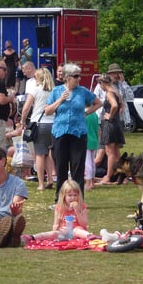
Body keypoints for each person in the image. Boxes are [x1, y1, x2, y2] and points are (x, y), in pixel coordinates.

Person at [45, 63, 102, 202]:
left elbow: (98, 103)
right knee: (61, 167)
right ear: (67, 77)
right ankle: (60, 200)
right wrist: (60, 100)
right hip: (60, 133)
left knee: (77, 167)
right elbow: (47, 111)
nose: (79, 79)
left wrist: (87, 112)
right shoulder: (57, 91)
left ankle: (78, 199)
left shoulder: (82, 91)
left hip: (78, 133)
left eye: (79, 76)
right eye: (76, 76)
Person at [20, 179, 96, 244]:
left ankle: (90, 236)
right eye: (70, 195)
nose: (73, 198)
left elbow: (84, 224)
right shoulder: (59, 207)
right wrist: (55, 232)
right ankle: (32, 237)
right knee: (53, 233)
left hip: (77, 231)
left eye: (75, 195)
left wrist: (77, 211)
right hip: (63, 231)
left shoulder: (81, 206)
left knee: (77, 230)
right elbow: (56, 224)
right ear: (64, 196)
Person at [20, 68, 56, 191]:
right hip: (52, 123)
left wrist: (22, 121)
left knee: (40, 154)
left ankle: (41, 183)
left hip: (39, 123)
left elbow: (26, 108)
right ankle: (50, 178)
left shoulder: (35, 90)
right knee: (48, 153)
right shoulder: (54, 91)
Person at [95, 74, 125, 185]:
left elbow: (115, 105)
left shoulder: (109, 93)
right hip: (117, 124)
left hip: (110, 125)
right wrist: (116, 115)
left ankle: (108, 176)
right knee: (116, 153)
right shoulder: (116, 91)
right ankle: (122, 177)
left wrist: (110, 116)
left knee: (110, 152)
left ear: (103, 83)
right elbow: (122, 105)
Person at [104, 63, 135, 130]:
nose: (116, 76)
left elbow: (131, 97)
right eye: (114, 73)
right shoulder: (103, 85)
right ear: (109, 74)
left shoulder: (122, 85)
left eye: (118, 73)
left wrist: (124, 82)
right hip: (106, 118)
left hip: (120, 119)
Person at [84, 111, 100, 191]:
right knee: (92, 162)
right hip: (94, 140)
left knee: (87, 163)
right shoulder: (95, 114)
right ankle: (92, 181)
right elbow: (98, 129)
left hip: (87, 141)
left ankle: (88, 182)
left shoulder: (85, 115)